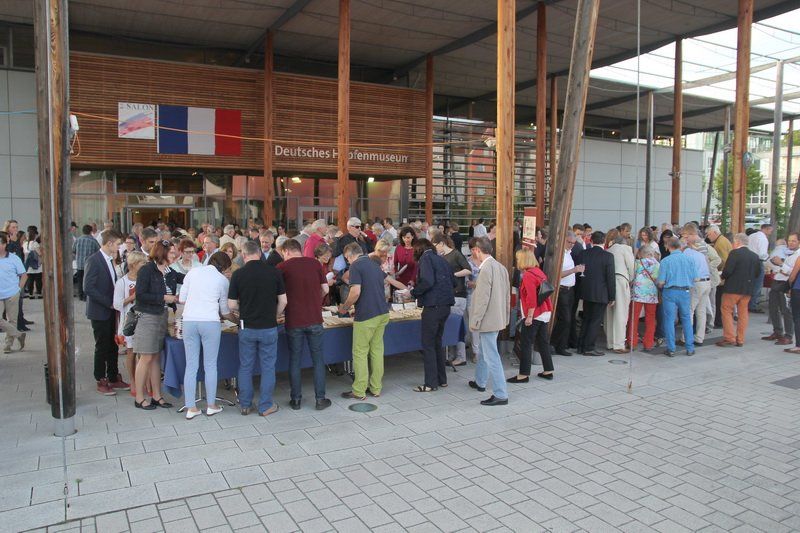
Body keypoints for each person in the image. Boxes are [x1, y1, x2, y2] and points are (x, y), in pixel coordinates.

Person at [228, 240, 286, 416]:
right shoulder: (274, 272)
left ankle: (245, 404)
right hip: (268, 326)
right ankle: (265, 405)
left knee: (245, 366)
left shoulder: (238, 274)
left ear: (243, 255)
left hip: (247, 326)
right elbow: (283, 301)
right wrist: (275, 314)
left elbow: (231, 305)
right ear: (259, 253)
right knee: (268, 367)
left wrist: (243, 310)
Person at [276, 239, 332, 411]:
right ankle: (320, 399)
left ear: (286, 251)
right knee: (318, 359)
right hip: (315, 318)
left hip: (294, 320)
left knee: (295, 360)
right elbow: (326, 289)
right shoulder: (315, 264)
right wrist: (315, 300)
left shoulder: (282, 267)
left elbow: (280, 297)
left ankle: (296, 400)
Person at [179, 252, 234, 419]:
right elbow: (225, 310)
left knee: (191, 365)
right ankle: (211, 405)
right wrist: (236, 319)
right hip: (210, 321)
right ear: (225, 267)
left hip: (189, 320)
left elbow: (182, 299)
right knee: (210, 365)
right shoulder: (222, 280)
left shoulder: (193, 272)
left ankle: (191, 407)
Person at [338, 242, 390, 400]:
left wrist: (345, 307)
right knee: (377, 351)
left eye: (347, 258)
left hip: (367, 315)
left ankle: (359, 390)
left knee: (360, 352)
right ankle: (376, 388)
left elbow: (355, 291)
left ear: (351, 255)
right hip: (382, 312)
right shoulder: (374, 264)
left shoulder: (356, 266)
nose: (347, 261)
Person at [133, 240, 178, 410]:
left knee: (156, 357)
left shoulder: (168, 270)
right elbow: (140, 295)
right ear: (162, 253)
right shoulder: (147, 270)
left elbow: (185, 278)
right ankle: (139, 398)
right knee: (146, 357)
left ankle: (157, 396)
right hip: (148, 316)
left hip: (162, 315)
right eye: (171, 252)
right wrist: (164, 297)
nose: (175, 255)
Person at [84, 230, 128, 394]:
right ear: (109, 244)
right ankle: (100, 378)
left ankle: (113, 376)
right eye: (117, 244)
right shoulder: (94, 260)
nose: (119, 247)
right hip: (100, 311)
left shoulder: (110, 259)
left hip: (111, 310)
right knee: (102, 345)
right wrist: (108, 302)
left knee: (112, 344)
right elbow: (88, 287)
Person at [467, 237, 510, 405]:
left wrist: (475, 321)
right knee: (486, 352)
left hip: (488, 319)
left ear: (477, 251)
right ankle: (480, 381)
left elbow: (482, 299)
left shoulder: (486, 269)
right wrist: (506, 317)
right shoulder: (500, 267)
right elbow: (506, 296)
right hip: (497, 318)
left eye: (473, 251)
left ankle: (501, 394)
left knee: (492, 356)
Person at [410, 239, 455, 392]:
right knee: (437, 343)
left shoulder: (426, 259)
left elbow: (427, 281)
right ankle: (442, 380)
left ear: (419, 249)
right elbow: (454, 282)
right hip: (445, 306)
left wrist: (414, 292)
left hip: (433, 306)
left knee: (428, 345)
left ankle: (430, 383)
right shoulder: (442, 260)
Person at [507, 248, 555, 382]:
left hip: (534, 313)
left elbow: (532, 298)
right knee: (543, 342)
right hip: (544, 311)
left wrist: (529, 317)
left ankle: (523, 375)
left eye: (518, 258)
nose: (517, 261)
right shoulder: (538, 272)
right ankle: (548, 370)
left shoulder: (528, 275)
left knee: (526, 343)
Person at [717, 233, 762, 348]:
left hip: (732, 288)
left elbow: (728, 271)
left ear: (737, 242)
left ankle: (729, 338)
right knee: (743, 313)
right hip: (747, 289)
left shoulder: (734, 253)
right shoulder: (755, 256)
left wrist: (722, 276)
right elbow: (757, 273)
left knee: (726, 310)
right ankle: (740, 339)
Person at [432, 233, 471, 366]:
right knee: (451, 326)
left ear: (441, 244)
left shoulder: (456, 254)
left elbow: (468, 269)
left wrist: (452, 275)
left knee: (457, 326)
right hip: (449, 295)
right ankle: (453, 355)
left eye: (435, 246)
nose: (435, 248)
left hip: (458, 295)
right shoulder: (442, 256)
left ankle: (461, 356)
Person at [656, 237, 698, 357]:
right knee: (686, 319)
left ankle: (671, 348)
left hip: (670, 292)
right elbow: (695, 278)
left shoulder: (665, 261)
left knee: (669, 320)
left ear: (668, 247)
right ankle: (690, 347)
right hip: (685, 291)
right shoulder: (689, 259)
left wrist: (659, 284)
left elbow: (661, 281)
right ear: (680, 246)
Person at [113, 250, 147, 394]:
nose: (144, 265)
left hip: (145, 319)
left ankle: (143, 381)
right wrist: (132, 297)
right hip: (130, 321)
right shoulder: (122, 282)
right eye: (142, 263)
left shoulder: (145, 279)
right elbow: (117, 304)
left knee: (143, 352)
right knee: (131, 351)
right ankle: (133, 380)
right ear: (133, 265)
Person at [577, 231, 615, 356]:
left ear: (591, 241)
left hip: (586, 291)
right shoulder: (608, 256)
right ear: (604, 241)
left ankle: (581, 346)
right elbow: (610, 278)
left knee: (586, 319)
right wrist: (612, 296)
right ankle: (589, 347)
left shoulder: (583, 253)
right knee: (595, 321)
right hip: (601, 293)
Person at [550, 231, 585, 356]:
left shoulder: (568, 254)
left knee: (568, 319)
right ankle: (552, 344)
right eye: (569, 242)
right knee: (565, 319)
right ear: (563, 240)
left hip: (570, 290)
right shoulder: (560, 254)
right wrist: (574, 270)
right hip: (562, 289)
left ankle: (561, 346)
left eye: (573, 243)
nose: (571, 245)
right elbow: (556, 274)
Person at [680, 224, 714, 347]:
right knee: (701, 311)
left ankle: (686, 338)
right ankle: (699, 338)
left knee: (689, 311)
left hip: (696, 283)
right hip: (707, 281)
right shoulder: (700, 252)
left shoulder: (687, 253)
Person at [764, 233, 799, 345]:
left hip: (787, 283)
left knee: (786, 310)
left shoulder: (798, 254)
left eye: (794, 241)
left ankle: (788, 335)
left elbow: (794, 272)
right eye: (789, 240)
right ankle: (777, 331)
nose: (791, 243)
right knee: (773, 308)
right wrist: (776, 264)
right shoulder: (787, 252)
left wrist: (781, 264)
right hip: (777, 280)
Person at [605, 231, 634, 353]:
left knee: (609, 314)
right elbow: (631, 267)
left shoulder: (608, 250)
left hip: (607, 281)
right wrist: (630, 279)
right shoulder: (625, 249)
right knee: (621, 313)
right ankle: (619, 344)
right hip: (621, 280)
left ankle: (610, 342)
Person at [628, 247, 660, 352]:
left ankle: (632, 342)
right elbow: (657, 279)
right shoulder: (657, 264)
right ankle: (648, 343)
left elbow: (631, 277)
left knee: (633, 318)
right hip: (651, 295)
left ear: (640, 254)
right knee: (650, 319)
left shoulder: (637, 263)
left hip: (637, 294)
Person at [0, 233, 27, 354]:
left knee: (12, 320)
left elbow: (24, 275)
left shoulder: (14, 258)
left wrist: (18, 290)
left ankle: (8, 345)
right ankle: (19, 335)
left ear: (5, 244)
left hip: (12, 293)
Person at [706, 225, 731, 328]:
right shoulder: (722, 240)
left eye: (709, 234)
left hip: (721, 275)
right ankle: (718, 321)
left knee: (718, 299)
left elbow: (722, 260)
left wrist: (715, 270)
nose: (708, 237)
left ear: (715, 233)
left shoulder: (720, 243)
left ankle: (718, 321)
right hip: (723, 274)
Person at [747, 223, 771, 312]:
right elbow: (762, 254)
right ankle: (752, 304)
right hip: (758, 261)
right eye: (770, 230)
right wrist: (768, 257)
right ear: (766, 229)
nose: (770, 233)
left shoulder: (751, 236)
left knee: (750, 282)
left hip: (749, 260)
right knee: (758, 284)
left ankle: (747, 302)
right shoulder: (763, 239)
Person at [73, 224, 100, 301]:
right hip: (90, 265)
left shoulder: (78, 240)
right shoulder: (93, 241)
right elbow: (99, 251)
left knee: (80, 280)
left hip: (79, 264)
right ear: (91, 232)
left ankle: (80, 295)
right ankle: (86, 296)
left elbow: (73, 250)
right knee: (88, 281)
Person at [23, 227, 42, 299]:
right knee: (38, 280)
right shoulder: (35, 243)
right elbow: (39, 253)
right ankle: (39, 294)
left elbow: (24, 253)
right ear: (34, 235)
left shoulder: (25, 244)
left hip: (28, 265)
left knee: (30, 280)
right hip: (36, 265)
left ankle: (31, 294)